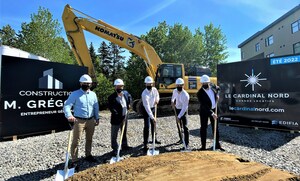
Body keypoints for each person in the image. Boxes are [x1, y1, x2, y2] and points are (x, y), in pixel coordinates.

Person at [63, 74, 99, 167]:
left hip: (91, 120)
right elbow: (67, 106)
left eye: (88, 83)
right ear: (80, 83)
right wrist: (69, 116)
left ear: (90, 84)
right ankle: (75, 160)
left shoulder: (93, 94)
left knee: (89, 139)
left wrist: (97, 117)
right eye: (84, 83)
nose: (86, 84)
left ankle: (88, 155)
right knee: (76, 141)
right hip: (79, 121)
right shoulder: (75, 94)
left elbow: (95, 107)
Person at [197, 74, 224, 151]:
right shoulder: (200, 93)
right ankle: (203, 146)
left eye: (206, 83)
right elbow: (204, 105)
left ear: (209, 82)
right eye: (203, 83)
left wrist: (217, 95)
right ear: (201, 83)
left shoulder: (213, 86)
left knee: (215, 127)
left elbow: (218, 88)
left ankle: (217, 144)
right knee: (203, 128)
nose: (205, 85)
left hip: (214, 109)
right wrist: (212, 113)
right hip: (204, 112)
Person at [108, 78, 132, 156]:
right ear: (115, 87)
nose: (120, 88)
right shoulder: (111, 97)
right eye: (118, 87)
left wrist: (129, 104)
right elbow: (112, 109)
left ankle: (124, 145)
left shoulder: (125, 93)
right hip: (116, 118)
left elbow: (130, 98)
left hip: (124, 116)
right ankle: (115, 148)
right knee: (114, 134)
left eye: (121, 86)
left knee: (124, 132)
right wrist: (119, 117)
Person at [141, 76, 160, 153]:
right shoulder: (144, 94)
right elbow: (147, 107)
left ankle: (154, 139)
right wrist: (152, 117)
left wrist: (157, 100)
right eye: (148, 84)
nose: (149, 85)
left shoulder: (154, 89)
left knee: (154, 125)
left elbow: (157, 95)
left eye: (150, 84)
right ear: (145, 84)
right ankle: (145, 143)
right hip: (146, 110)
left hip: (153, 107)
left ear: (152, 84)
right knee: (147, 126)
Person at [171, 78, 190, 150]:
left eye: (180, 85)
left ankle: (187, 143)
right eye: (177, 85)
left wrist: (179, 117)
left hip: (183, 110)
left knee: (185, 126)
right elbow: (173, 97)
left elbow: (185, 107)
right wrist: (172, 101)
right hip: (177, 109)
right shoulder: (175, 91)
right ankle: (181, 139)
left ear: (183, 85)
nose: (179, 86)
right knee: (179, 125)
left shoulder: (186, 95)